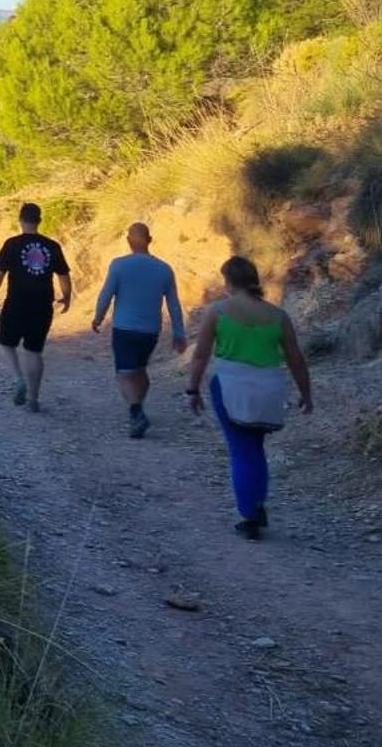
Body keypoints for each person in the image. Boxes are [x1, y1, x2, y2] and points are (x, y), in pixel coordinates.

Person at [185, 255, 314, 540]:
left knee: (240, 449)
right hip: (268, 387)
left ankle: (250, 513)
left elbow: (200, 355)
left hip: (230, 385)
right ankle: (256, 502)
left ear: (228, 281)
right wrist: (306, 394)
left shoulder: (218, 311)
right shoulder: (278, 316)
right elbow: (296, 359)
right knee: (254, 447)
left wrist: (192, 389)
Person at [91, 222, 186, 438]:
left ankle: (136, 412)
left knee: (124, 374)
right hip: (150, 331)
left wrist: (98, 316)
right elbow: (173, 304)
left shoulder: (119, 265)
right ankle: (138, 407)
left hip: (124, 328)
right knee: (140, 369)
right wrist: (179, 333)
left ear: (128, 241)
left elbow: (107, 293)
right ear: (149, 240)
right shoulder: (164, 269)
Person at [0, 202, 72, 413]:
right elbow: (64, 276)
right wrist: (67, 297)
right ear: (39, 221)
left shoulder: (12, 244)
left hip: (17, 301)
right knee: (34, 351)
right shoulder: (52, 246)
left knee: (6, 343)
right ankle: (33, 398)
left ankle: (18, 378)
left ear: (21, 220)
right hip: (42, 304)